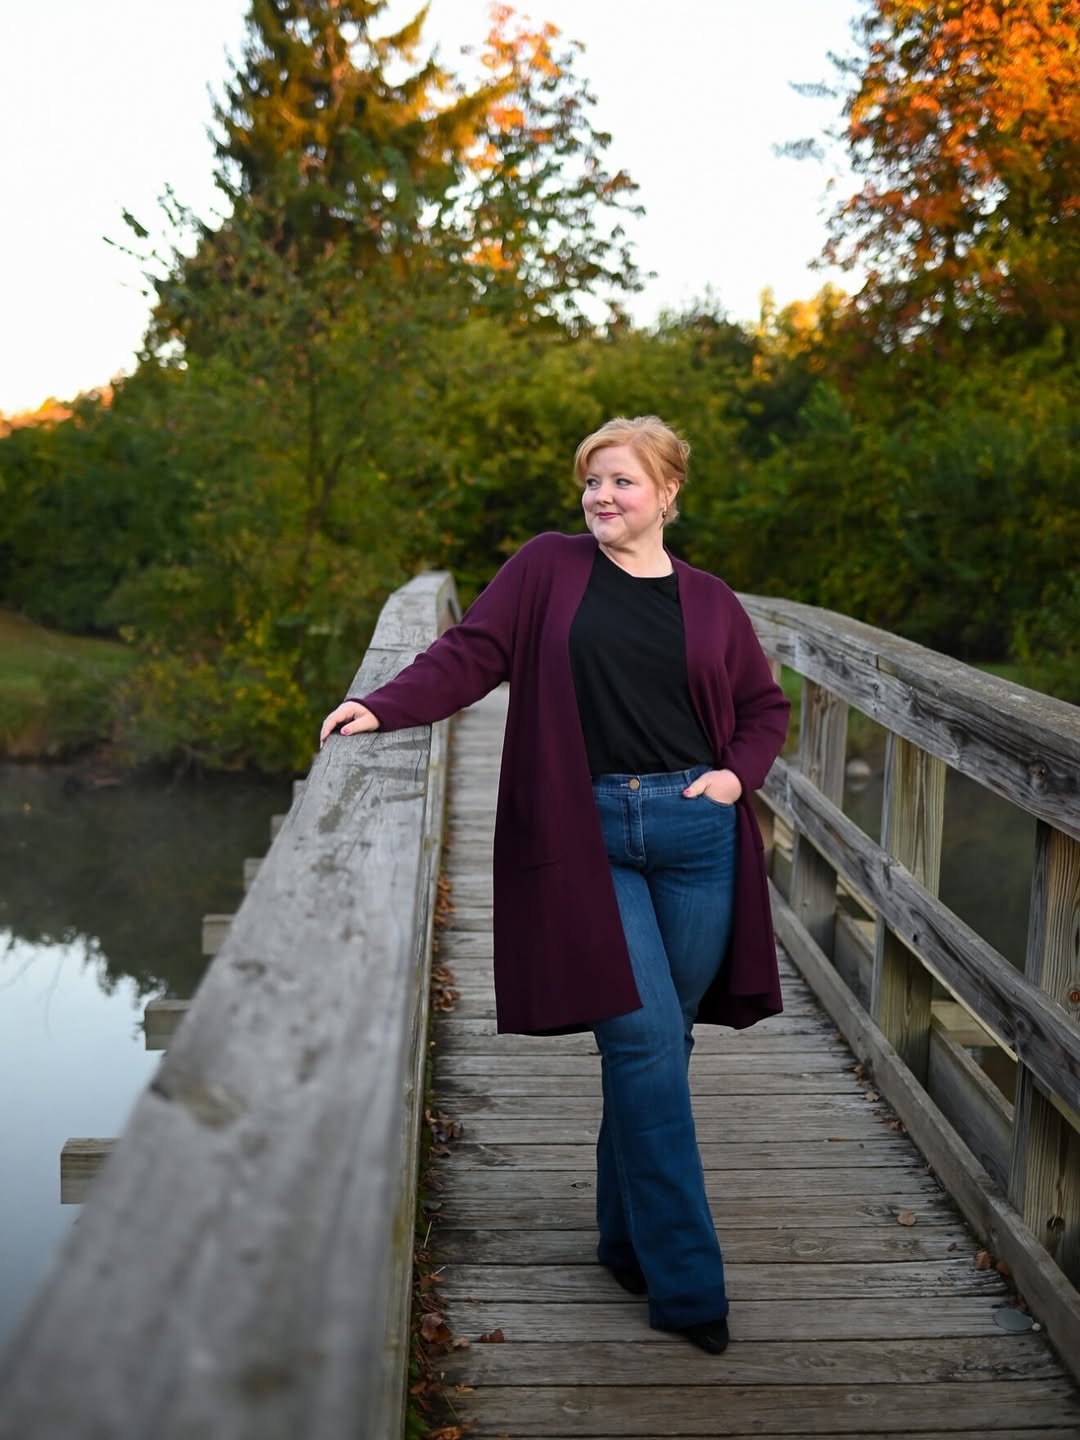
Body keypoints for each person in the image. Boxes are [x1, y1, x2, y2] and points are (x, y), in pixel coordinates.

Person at [320, 415, 790, 1355]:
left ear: (667, 493)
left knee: (663, 1048)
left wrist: (735, 777)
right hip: (589, 834)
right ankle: (690, 1285)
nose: (601, 499)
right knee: (649, 1039)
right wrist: (380, 704)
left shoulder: (710, 601)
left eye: (621, 482)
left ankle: (622, 1239)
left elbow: (761, 707)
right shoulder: (547, 568)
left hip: (698, 834)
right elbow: (470, 653)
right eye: (590, 484)